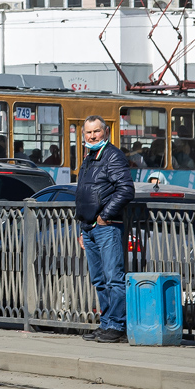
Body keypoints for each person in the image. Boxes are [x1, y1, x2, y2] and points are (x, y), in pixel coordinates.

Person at [75, 114, 135, 344]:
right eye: (88, 132)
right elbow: (83, 194)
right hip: (89, 227)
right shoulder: (89, 158)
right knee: (99, 279)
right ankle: (107, 323)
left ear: (105, 132)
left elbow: (126, 190)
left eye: (96, 131)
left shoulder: (112, 155)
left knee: (113, 278)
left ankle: (117, 326)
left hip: (107, 227)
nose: (92, 136)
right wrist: (82, 227)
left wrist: (104, 216)